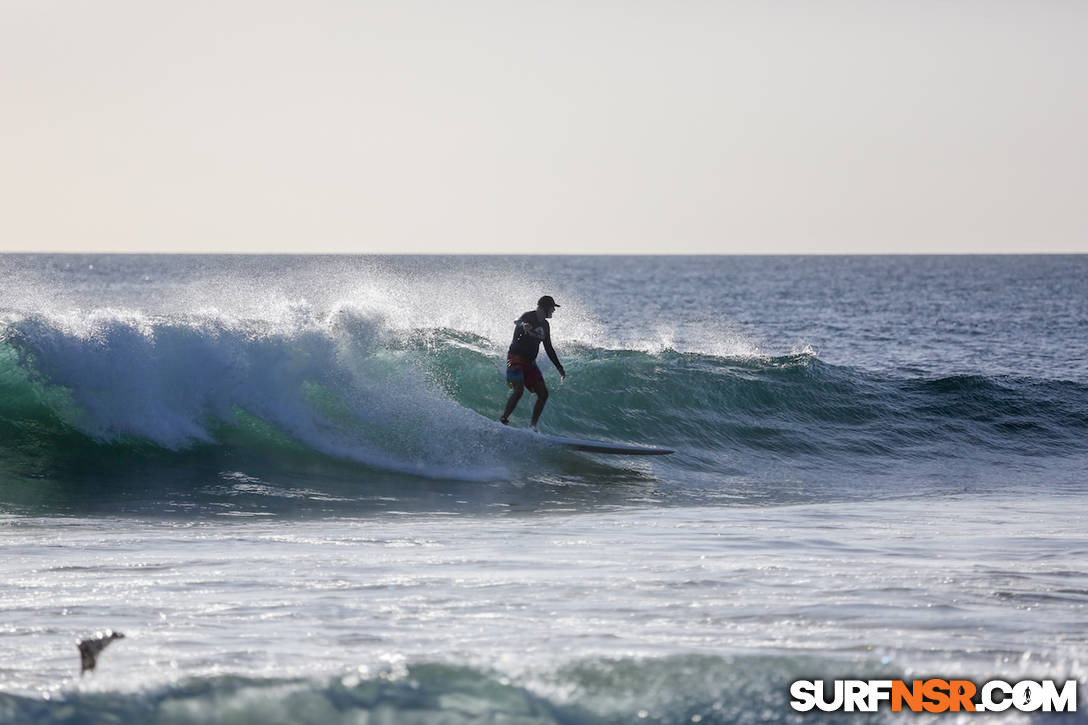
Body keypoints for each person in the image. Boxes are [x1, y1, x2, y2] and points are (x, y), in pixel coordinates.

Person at [500, 295, 566, 431]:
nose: (553, 310)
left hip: (530, 363)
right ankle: (503, 419)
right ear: (545, 307)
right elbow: (519, 322)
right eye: (552, 307)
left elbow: (548, 347)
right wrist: (524, 325)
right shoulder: (528, 316)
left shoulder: (545, 325)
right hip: (515, 359)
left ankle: (533, 427)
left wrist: (559, 367)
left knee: (543, 394)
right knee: (519, 390)